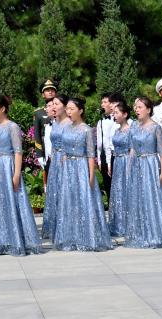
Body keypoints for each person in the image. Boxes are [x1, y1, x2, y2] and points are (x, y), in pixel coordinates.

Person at [0, 95, 41, 256]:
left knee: (9, 203)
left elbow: (18, 152)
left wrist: (16, 174)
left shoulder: (12, 127)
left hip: (5, 167)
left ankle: (14, 240)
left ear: (2, 109)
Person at [52, 97, 112, 251]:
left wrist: (91, 175)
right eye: (68, 109)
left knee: (84, 200)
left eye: (72, 109)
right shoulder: (66, 128)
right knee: (69, 201)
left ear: (81, 111)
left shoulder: (86, 130)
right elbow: (64, 150)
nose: (69, 112)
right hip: (68, 168)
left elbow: (91, 155)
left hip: (81, 166)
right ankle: (70, 236)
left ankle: (88, 236)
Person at [122, 96, 162, 248]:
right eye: (136, 107)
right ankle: (140, 233)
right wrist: (129, 166)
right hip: (137, 164)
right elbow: (132, 147)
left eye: (140, 107)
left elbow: (161, 151)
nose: (136, 110)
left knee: (153, 198)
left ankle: (157, 233)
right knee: (138, 198)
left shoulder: (155, 127)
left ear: (148, 109)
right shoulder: (133, 126)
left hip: (151, 164)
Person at [42, 94, 70, 242]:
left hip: (66, 161)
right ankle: (55, 227)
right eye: (52, 104)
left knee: (65, 193)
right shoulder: (56, 123)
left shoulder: (70, 124)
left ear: (65, 106)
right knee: (55, 193)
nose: (53, 107)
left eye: (56, 104)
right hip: (55, 161)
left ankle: (67, 226)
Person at [109, 100, 134, 238]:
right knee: (118, 192)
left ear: (124, 114)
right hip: (117, 162)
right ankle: (118, 223)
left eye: (117, 113)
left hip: (126, 161)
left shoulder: (131, 130)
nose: (114, 115)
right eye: (114, 113)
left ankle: (129, 223)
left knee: (127, 191)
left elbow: (132, 150)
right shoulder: (117, 130)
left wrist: (130, 166)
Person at [96, 93, 119, 198]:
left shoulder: (117, 121)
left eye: (105, 102)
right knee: (107, 184)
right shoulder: (101, 122)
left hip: (115, 154)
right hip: (104, 155)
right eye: (102, 102)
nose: (102, 105)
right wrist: (100, 159)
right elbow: (99, 143)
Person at [33, 79, 57, 172]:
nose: (50, 92)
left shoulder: (63, 109)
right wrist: (39, 155)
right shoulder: (38, 113)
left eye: (52, 89)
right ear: (43, 94)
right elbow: (37, 135)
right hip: (46, 148)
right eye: (47, 90)